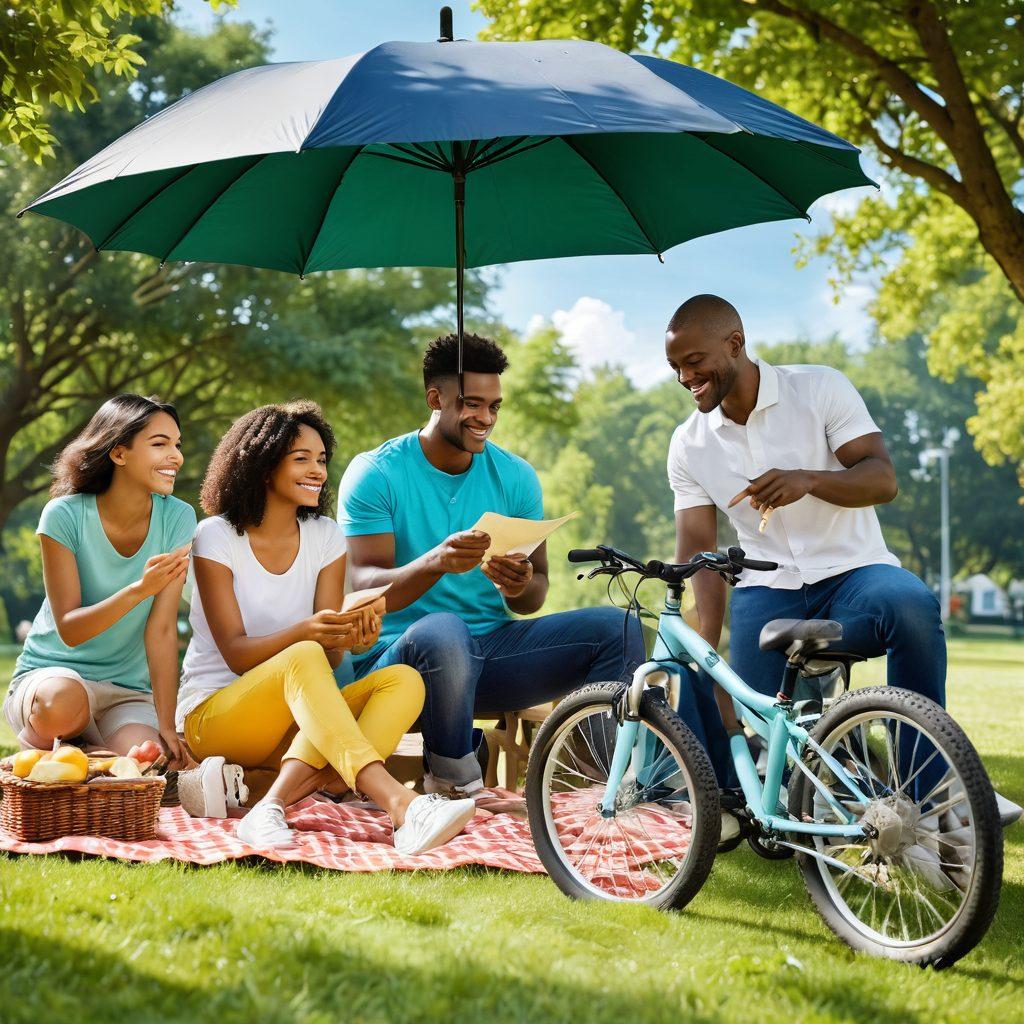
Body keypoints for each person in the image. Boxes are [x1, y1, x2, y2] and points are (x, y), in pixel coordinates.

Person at [664, 293, 1021, 827]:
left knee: (913, 607)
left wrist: (808, 479)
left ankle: (929, 795)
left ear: (735, 344)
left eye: (694, 362)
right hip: (768, 591)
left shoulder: (820, 388)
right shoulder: (689, 445)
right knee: (759, 731)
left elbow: (883, 478)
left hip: (857, 575)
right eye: (675, 367)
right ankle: (729, 802)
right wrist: (710, 652)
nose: (685, 377)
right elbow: (699, 553)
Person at [339, 333, 645, 802]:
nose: (485, 418)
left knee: (617, 626)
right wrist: (435, 562)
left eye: (494, 406)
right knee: (444, 631)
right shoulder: (376, 473)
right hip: (397, 666)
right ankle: (455, 780)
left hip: (492, 659)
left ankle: (612, 782)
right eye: (471, 404)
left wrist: (518, 585)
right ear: (434, 399)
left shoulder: (516, 477)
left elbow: (534, 595)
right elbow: (363, 585)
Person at [175, 400, 476, 854]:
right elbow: (237, 652)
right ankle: (401, 803)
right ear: (261, 465)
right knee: (303, 654)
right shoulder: (215, 536)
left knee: (404, 681)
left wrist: (354, 635)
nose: (317, 470)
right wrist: (310, 634)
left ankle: (268, 804)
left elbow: (330, 655)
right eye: (302, 459)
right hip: (215, 713)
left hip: (297, 727)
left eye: (321, 460)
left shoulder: (325, 536)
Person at [3, 394, 195, 766]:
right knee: (62, 705)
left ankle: (78, 757)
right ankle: (67, 750)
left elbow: (161, 631)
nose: (176, 456)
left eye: (177, 444)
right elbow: (71, 629)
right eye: (160, 444)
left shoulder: (178, 518)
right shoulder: (64, 515)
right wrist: (139, 590)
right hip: (53, 678)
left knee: (151, 759)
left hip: (126, 693)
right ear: (119, 453)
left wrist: (167, 725)